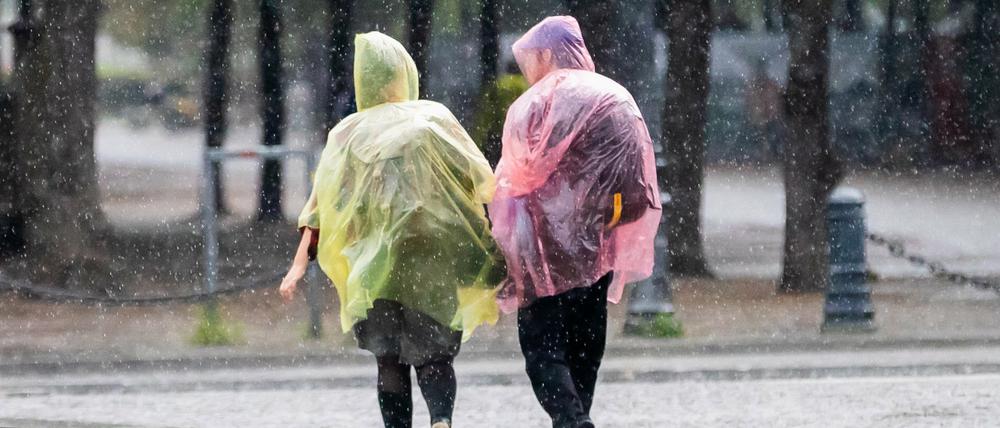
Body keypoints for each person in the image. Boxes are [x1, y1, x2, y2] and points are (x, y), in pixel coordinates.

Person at [279, 31, 505, 428]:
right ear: (405, 74)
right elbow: (479, 179)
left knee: (390, 358)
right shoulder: (434, 119)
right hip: (430, 257)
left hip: (374, 260)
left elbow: (321, 208)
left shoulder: (347, 134)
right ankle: (441, 420)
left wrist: (298, 265)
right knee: (434, 354)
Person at [489, 16, 661, 428]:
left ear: (546, 54)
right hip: (599, 246)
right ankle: (575, 417)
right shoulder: (615, 98)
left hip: (542, 252)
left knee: (543, 348)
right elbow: (638, 173)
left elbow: (514, 177)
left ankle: (571, 421)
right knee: (586, 346)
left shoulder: (533, 104)